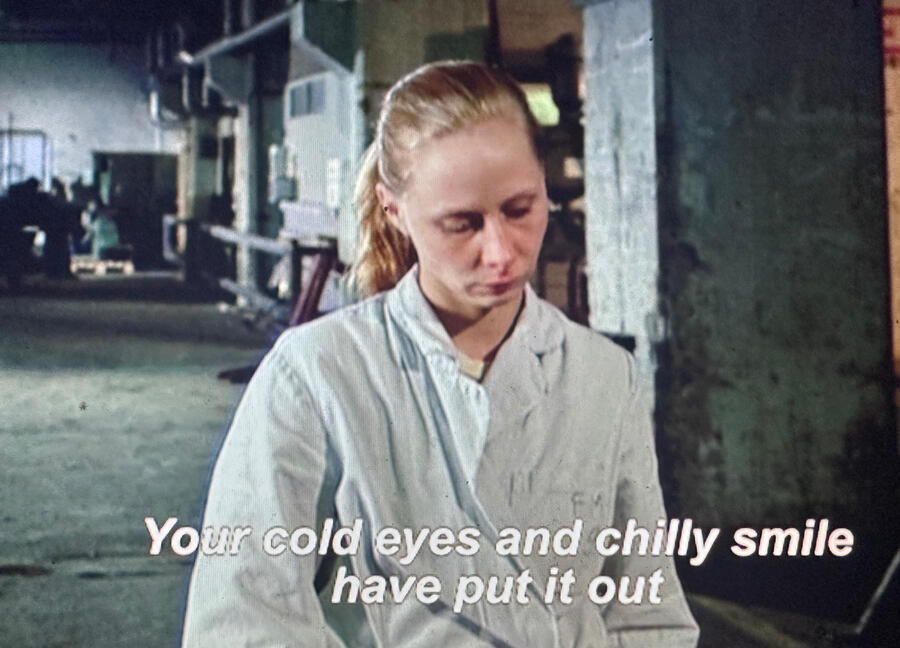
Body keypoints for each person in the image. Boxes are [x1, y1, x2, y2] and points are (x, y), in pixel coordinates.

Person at [182, 60, 699, 647]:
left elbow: (647, 614)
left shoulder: (604, 377)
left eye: (520, 209)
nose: (500, 252)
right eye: (461, 224)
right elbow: (244, 619)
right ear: (394, 210)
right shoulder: (317, 373)